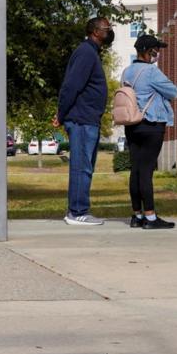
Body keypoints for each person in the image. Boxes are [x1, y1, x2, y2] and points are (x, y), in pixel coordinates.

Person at [55, 17, 112, 226]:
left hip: (87, 119)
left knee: (86, 166)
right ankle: (77, 212)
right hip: (81, 120)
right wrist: (61, 114)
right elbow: (71, 86)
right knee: (81, 167)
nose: (110, 31)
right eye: (107, 28)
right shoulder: (86, 52)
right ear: (96, 31)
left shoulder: (91, 53)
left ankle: (78, 210)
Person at [122, 35, 177, 230]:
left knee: (136, 170)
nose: (158, 53)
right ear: (148, 51)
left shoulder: (126, 72)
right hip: (152, 125)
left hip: (132, 125)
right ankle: (151, 217)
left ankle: (137, 215)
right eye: (156, 50)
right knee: (146, 171)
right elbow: (174, 92)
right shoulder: (152, 72)